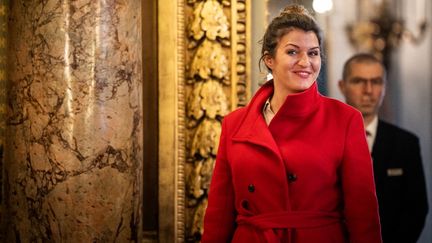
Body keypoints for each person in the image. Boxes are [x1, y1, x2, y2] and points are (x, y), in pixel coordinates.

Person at [202, 5, 382, 243]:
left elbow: (363, 215)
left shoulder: (345, 119)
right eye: (292, 52)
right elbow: (218, 217)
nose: (305, 62)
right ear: (269, 60)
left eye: (314, 53)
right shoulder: (234, 124)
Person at [338, 53, 429, 243]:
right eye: (358, 81)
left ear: (384, 88)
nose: (368, 90)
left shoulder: (406, 144)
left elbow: (416, 208)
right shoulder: (324, 139)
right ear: (342, 86)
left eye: (376, 82)